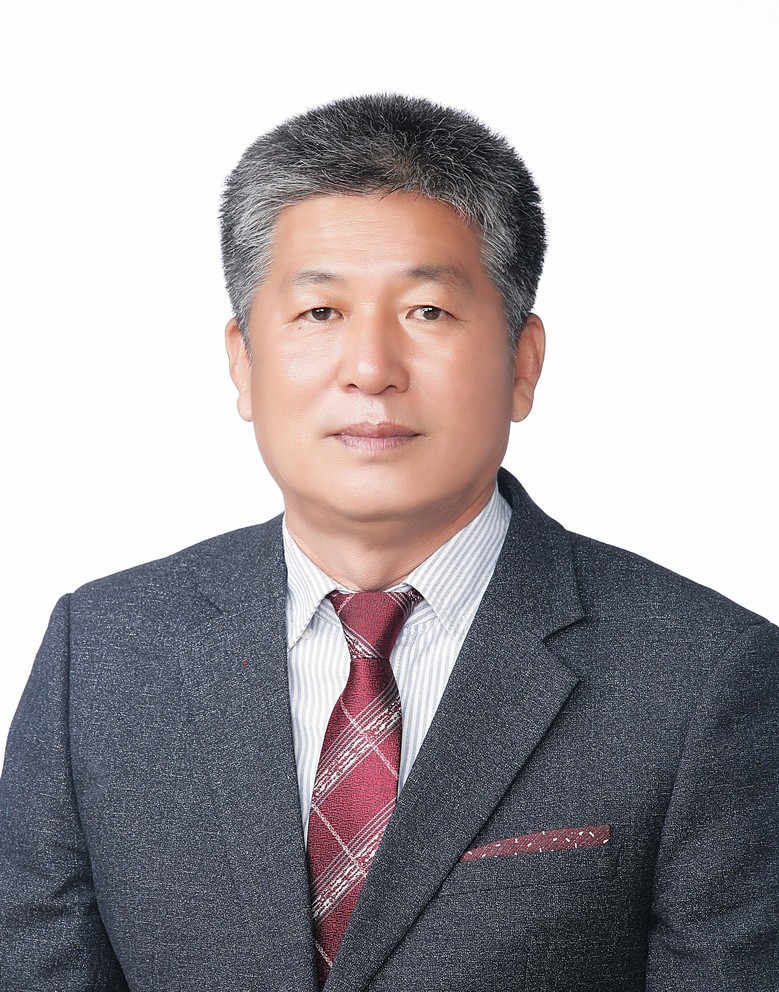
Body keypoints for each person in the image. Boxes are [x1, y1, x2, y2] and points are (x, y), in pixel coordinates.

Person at [0, 93, 776, 992]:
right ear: (243, 363)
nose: (370, 369)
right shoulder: (102, 652)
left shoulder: (702, 676)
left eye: (427, 311)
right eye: (318, 313)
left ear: (522, 363)